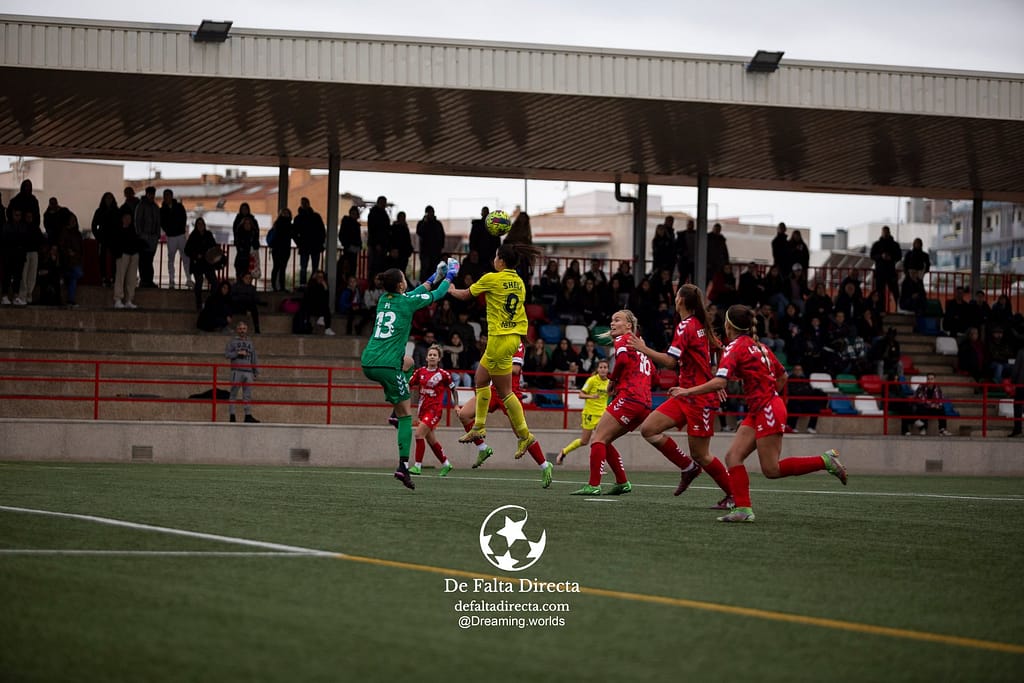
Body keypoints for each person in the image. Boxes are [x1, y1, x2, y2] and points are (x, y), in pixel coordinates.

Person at [670, 304, 847, 523]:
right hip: (764, 407)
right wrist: (764, 399)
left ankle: (825, 461)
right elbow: (782, 377)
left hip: (766, 409)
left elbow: (720, 381)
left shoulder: (735, 347)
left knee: (771, 469)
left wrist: (687, 391)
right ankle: (743, 509)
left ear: (728, 325)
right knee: (733, 457)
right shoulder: (759, 346)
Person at [449, 243, 553, 487]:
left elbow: (466, 296)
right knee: (480, 379)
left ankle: (524, 436)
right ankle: (480, 429)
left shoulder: (492, 279)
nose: (493, 260)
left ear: (501, 261)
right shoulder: (518, 281)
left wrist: (451, 289)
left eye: (496, 257)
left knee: (505, 392)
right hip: (511, 338)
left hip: (499, 340)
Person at [629, 284, 734, 506]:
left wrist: (642, 347)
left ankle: (734, 495)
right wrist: (717, 377)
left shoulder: (687, 326)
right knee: (649, 429)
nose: (674, 299)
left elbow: (670, 361)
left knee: (702, 454)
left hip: (699, 398)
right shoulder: (698, 325)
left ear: (681, 301)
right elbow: (718, 349)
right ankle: (688, 468)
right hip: (683, 395)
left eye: (676, 296)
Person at [361, 260, 456, 490]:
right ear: (402, 285)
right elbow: (438, 294)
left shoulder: (385, 300)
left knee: (410, 362)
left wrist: (434, 276)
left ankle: (395, 410)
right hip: (387, 366)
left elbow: (414, 293)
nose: (407, 282)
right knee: (406, 416)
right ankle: (403, 466)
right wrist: (449, 277)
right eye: (405, 278)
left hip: (369, 361)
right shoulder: (406, 303)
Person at [570, 310, 650, 496]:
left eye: (617, 320)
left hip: (629, 398)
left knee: (597, 437)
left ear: (628, 326)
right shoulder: (640, 347)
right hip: (644, 405)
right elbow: (654, 372)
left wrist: (613, 380)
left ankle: (593, 485)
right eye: (611, 320)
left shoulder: (623, 340)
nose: (612, 323)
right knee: (605, 440)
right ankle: (622, 482)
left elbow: (621, 360)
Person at [457, 340, 554, 482]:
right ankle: (483, 448)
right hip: (491, 391)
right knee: (464, 415)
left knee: (522, 435)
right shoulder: (496, 339)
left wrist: (496, 366)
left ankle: (545, 466)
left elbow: (515, 369)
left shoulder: (516, 343)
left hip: (510, 393)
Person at [407, 344, 458, 477]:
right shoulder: (420, 372)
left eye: (435, 355)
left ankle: (417, 466)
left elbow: (453, 389)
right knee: (431, 440)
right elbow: (409, 384)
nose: (432, 357)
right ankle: (446, 464)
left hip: (434, 411)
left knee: (418, 434)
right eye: (430, 355)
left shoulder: (443, 375)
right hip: (422, 410)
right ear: (426, 357)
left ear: (439, 358)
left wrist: (456, 405)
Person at [557, 359, 609, 465]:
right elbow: (580, 395)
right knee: (584, 441)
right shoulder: (592, 380)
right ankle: (564, 451)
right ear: (597, 369)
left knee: (601, 440)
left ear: (608, 369)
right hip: (590, 414)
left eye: (605, 367)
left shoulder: (609, 382)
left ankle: (598, 465)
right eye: (601, 367)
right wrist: (591, 396)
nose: (603, 370)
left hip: (602, 415)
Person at [225, 320, 260, 423]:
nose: (242, 331)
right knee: (233, 394)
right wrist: (237, 353)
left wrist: (256, 371)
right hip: (236, 370)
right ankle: (232, 416)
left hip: (248, 371)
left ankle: (248, 416)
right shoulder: (232, 342)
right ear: (237, 330)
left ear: (247, 329)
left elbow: (254, 357)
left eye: (244, 329)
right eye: (240, 329)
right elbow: (227, 354)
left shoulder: (250, 343)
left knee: (247, 395)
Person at [184, 217, 221, 311]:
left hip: (208, 263)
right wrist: (196, 255)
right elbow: (187, 250)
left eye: (202, 224)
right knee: (199, 282)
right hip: (197, 264)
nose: (200, 226)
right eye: (198, 224)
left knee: (215, 282)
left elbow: (214, 247)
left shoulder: (208, 235)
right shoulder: (193, 236)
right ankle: (199, 303)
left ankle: (211, 301)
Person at [785, 364, 828, 434]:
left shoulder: (804, 379)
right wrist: (803, 391)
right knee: (796, 409)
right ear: (793, 371)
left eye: (800, 370)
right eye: (796, 369)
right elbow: (793, 392)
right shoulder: (790, 379)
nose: (798, 371)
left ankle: (811, 427)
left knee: (815, 409)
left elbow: (809, 390)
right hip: (794, 400)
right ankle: (792, 427)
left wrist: (804, 392)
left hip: (804, 400)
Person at [110, 211, 140, 309]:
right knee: (120, 277)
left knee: (131, 278)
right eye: (126, 218)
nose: (128, 220)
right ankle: (118, 299)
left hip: (133, 254)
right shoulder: (117, 229)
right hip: (122, 255)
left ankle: (129, 300)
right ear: (122, 219)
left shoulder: (132, 230)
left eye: (130, 218)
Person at [293, 197, 326, 286]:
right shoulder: (315, 216)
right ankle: (311, 284)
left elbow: (294, 233)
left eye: (305, 203)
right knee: (312, 267)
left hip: (307, 246)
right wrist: (320, 242)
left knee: (305, 267)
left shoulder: (298, 218)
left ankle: (304, 285)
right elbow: (322, 231)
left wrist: (299, 243)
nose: (304, 205)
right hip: (313, 246)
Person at [91, 191, 121, 286]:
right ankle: (103, 277)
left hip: (114, 239)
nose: (108, 200)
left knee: (114, 260)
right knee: (102, 259)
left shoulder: (117, 211)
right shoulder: (99, 211)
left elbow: (120, 225)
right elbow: (94, 225)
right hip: (103, 239)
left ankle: (113, 277)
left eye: (110, 198)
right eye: (107, 198)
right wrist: (98, 236)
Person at [161, 189, 189, 288]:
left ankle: (189, 279)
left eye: (168, 195)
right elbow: (162, 223)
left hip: (180, 235)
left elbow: (184, 218)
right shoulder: (163, 209)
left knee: (186, 258)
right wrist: (168, 230)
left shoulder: (179, 207)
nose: (167, 198)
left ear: (171, 196)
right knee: (171, 259)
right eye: (165, 196)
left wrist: (180, 228)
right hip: (171, 236)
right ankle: (172, 280)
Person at [870, 225, 902, 311]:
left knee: (895, 292)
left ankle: (898, 309)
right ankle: (880, 309)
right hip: (880, 272)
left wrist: (891, 258)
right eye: (884, 232)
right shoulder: (877, 244)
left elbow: (899, 256)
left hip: (890, 271)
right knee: (880, 292)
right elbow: (872, 255)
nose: (885, 233)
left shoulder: (894, 245)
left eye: (886, 232)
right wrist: (881, 256)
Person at [134, 186, 161, 288]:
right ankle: (144, 280)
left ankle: (148, 280)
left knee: (149, 260)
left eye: (153, 194)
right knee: (143, 260)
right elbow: (137, 221)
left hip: (153, 238)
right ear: (147, 194)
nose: (151, 196)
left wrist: (157, 235)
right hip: (144, 237)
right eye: (150, 194)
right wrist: (140, 234)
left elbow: (158, 222)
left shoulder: (155, 207)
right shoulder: (141, 206)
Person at [416, 205, 446, 283]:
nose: (431, 214)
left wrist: (441, 246)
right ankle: (423, 286)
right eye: (429, 212)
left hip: (436, 252)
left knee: (434, 270)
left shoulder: (438, 224)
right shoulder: (422, 223)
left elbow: (442, 235)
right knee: (425, 271)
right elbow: (419, 232)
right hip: (425, 252)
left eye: (432, 212)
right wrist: (424, 223)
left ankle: (433, 285)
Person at [302, 270, 335, 336]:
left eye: (322, 277)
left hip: (321, 309)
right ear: (316, 277)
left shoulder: (323, 286)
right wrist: (312, 279)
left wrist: (326, 289)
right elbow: (309, 298)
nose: (320, 278)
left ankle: (327, 327)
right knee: (323, 306)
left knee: (326, 307)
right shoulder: (312, 285)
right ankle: (322, 318)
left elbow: (326, 300)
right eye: (318, 277)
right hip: (311, 308)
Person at [269, 207, 294, 293]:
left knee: (279, 267)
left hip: (280, 249)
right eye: (284, 213)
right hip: (282, 249)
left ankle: (276, 286)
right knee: (279, 267)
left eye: (287, 213)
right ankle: (279, 286)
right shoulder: (286, 225)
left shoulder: (277, 224)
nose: (285, 214)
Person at [232, 215, 260, 282]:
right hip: (241, 259)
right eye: (245, 223)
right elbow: (238, 245)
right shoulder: (239, 233)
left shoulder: (254, 233)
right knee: (240, 277)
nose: (247, 225)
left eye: (249, 223)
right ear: (243, 224)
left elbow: (256, 246)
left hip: (250, 259)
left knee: (248, 279)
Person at [339, 205, 363, 281]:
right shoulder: (348, 223)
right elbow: (342, 235)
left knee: (351, 267)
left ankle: (349, 281)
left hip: (352, 248)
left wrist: (359, 245)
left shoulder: (355, 224)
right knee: (347, 267)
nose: (354, 215)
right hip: (349, 248)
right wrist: (347, 245)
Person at [1008, 347, 1024, 437]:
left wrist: (1013, 381)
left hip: (1021, 385)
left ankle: (1017, 430)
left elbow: (1016, 368)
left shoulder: (1021, 352)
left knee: (1018, 406)